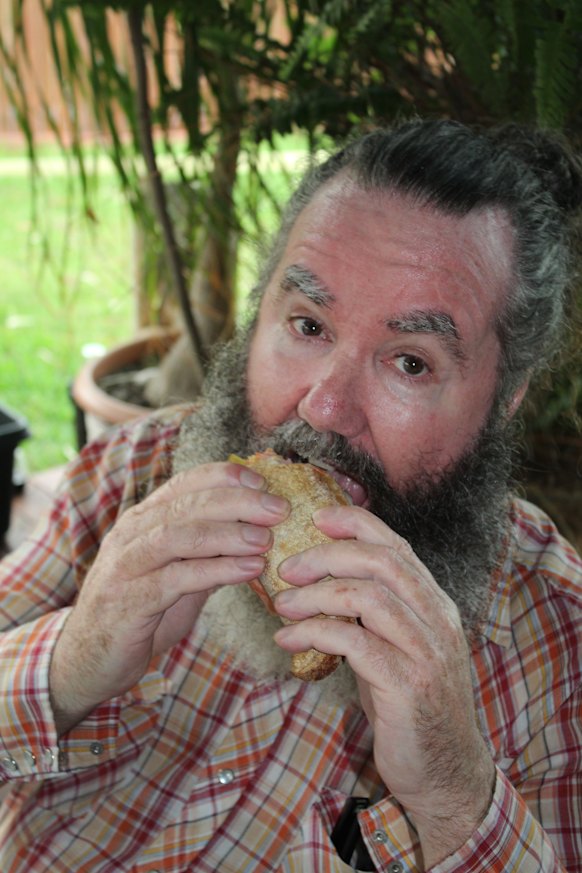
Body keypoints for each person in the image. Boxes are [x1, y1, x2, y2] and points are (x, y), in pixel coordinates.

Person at [0, 118, 580, 873]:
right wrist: (73, 659)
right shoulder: (130, 473)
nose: (323, 407)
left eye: (409, 362)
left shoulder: (558, 645)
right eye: (308, 324)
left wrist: (452, 790)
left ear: (502, 400)